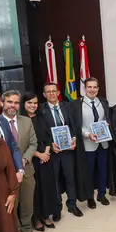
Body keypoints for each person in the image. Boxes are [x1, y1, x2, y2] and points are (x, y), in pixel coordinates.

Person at [39, 82, 90, 218]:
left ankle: (72, 204)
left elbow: (74, 125)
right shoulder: (41, 110)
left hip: (68, 150)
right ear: (44, 94)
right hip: (53, 151)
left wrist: (74, 138)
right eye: (48, 91)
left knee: (70, 177)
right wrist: (50, 144)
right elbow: (41, 131)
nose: (51, 94)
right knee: (55, 181)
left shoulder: (67, 106)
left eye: (53, 91)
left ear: (58, 93)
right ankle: (57, 208)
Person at [0, 90, 41, 232]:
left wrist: (24, 159)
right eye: (9, 102)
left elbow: (33, 144)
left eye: (16, 102)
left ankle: (27, 231)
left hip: (27, 170)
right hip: (6, 175)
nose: (13, 105)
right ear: (2, 103)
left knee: (27, 204)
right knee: (12, 206)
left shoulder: (26, 121)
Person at [21, 92, 58, 230]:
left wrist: (46, 153)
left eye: (35, 103)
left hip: (46, 157)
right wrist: (39, 155)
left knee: (47, 188)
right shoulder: (21, 120)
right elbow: (23, 144)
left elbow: (49, 137)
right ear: (24, 104)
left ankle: (46, 215)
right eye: (29, 103)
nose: (33, 105)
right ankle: (36, 218)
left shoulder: (42, 117)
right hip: (32, 159)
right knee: (35, 190)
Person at [78, 77, 113, 208]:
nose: (92, 90)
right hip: (88, 143)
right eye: (89, 87)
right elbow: (77, 125)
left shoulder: (103, 102)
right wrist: (88, 134)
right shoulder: (78, 104)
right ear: (84, 88)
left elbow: (106, 118)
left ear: (98, 89)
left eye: (95, 87)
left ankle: (102, 194)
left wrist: (107, 124)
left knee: (103, 169)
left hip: (103, 142)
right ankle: (90, 197)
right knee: (89, 172)